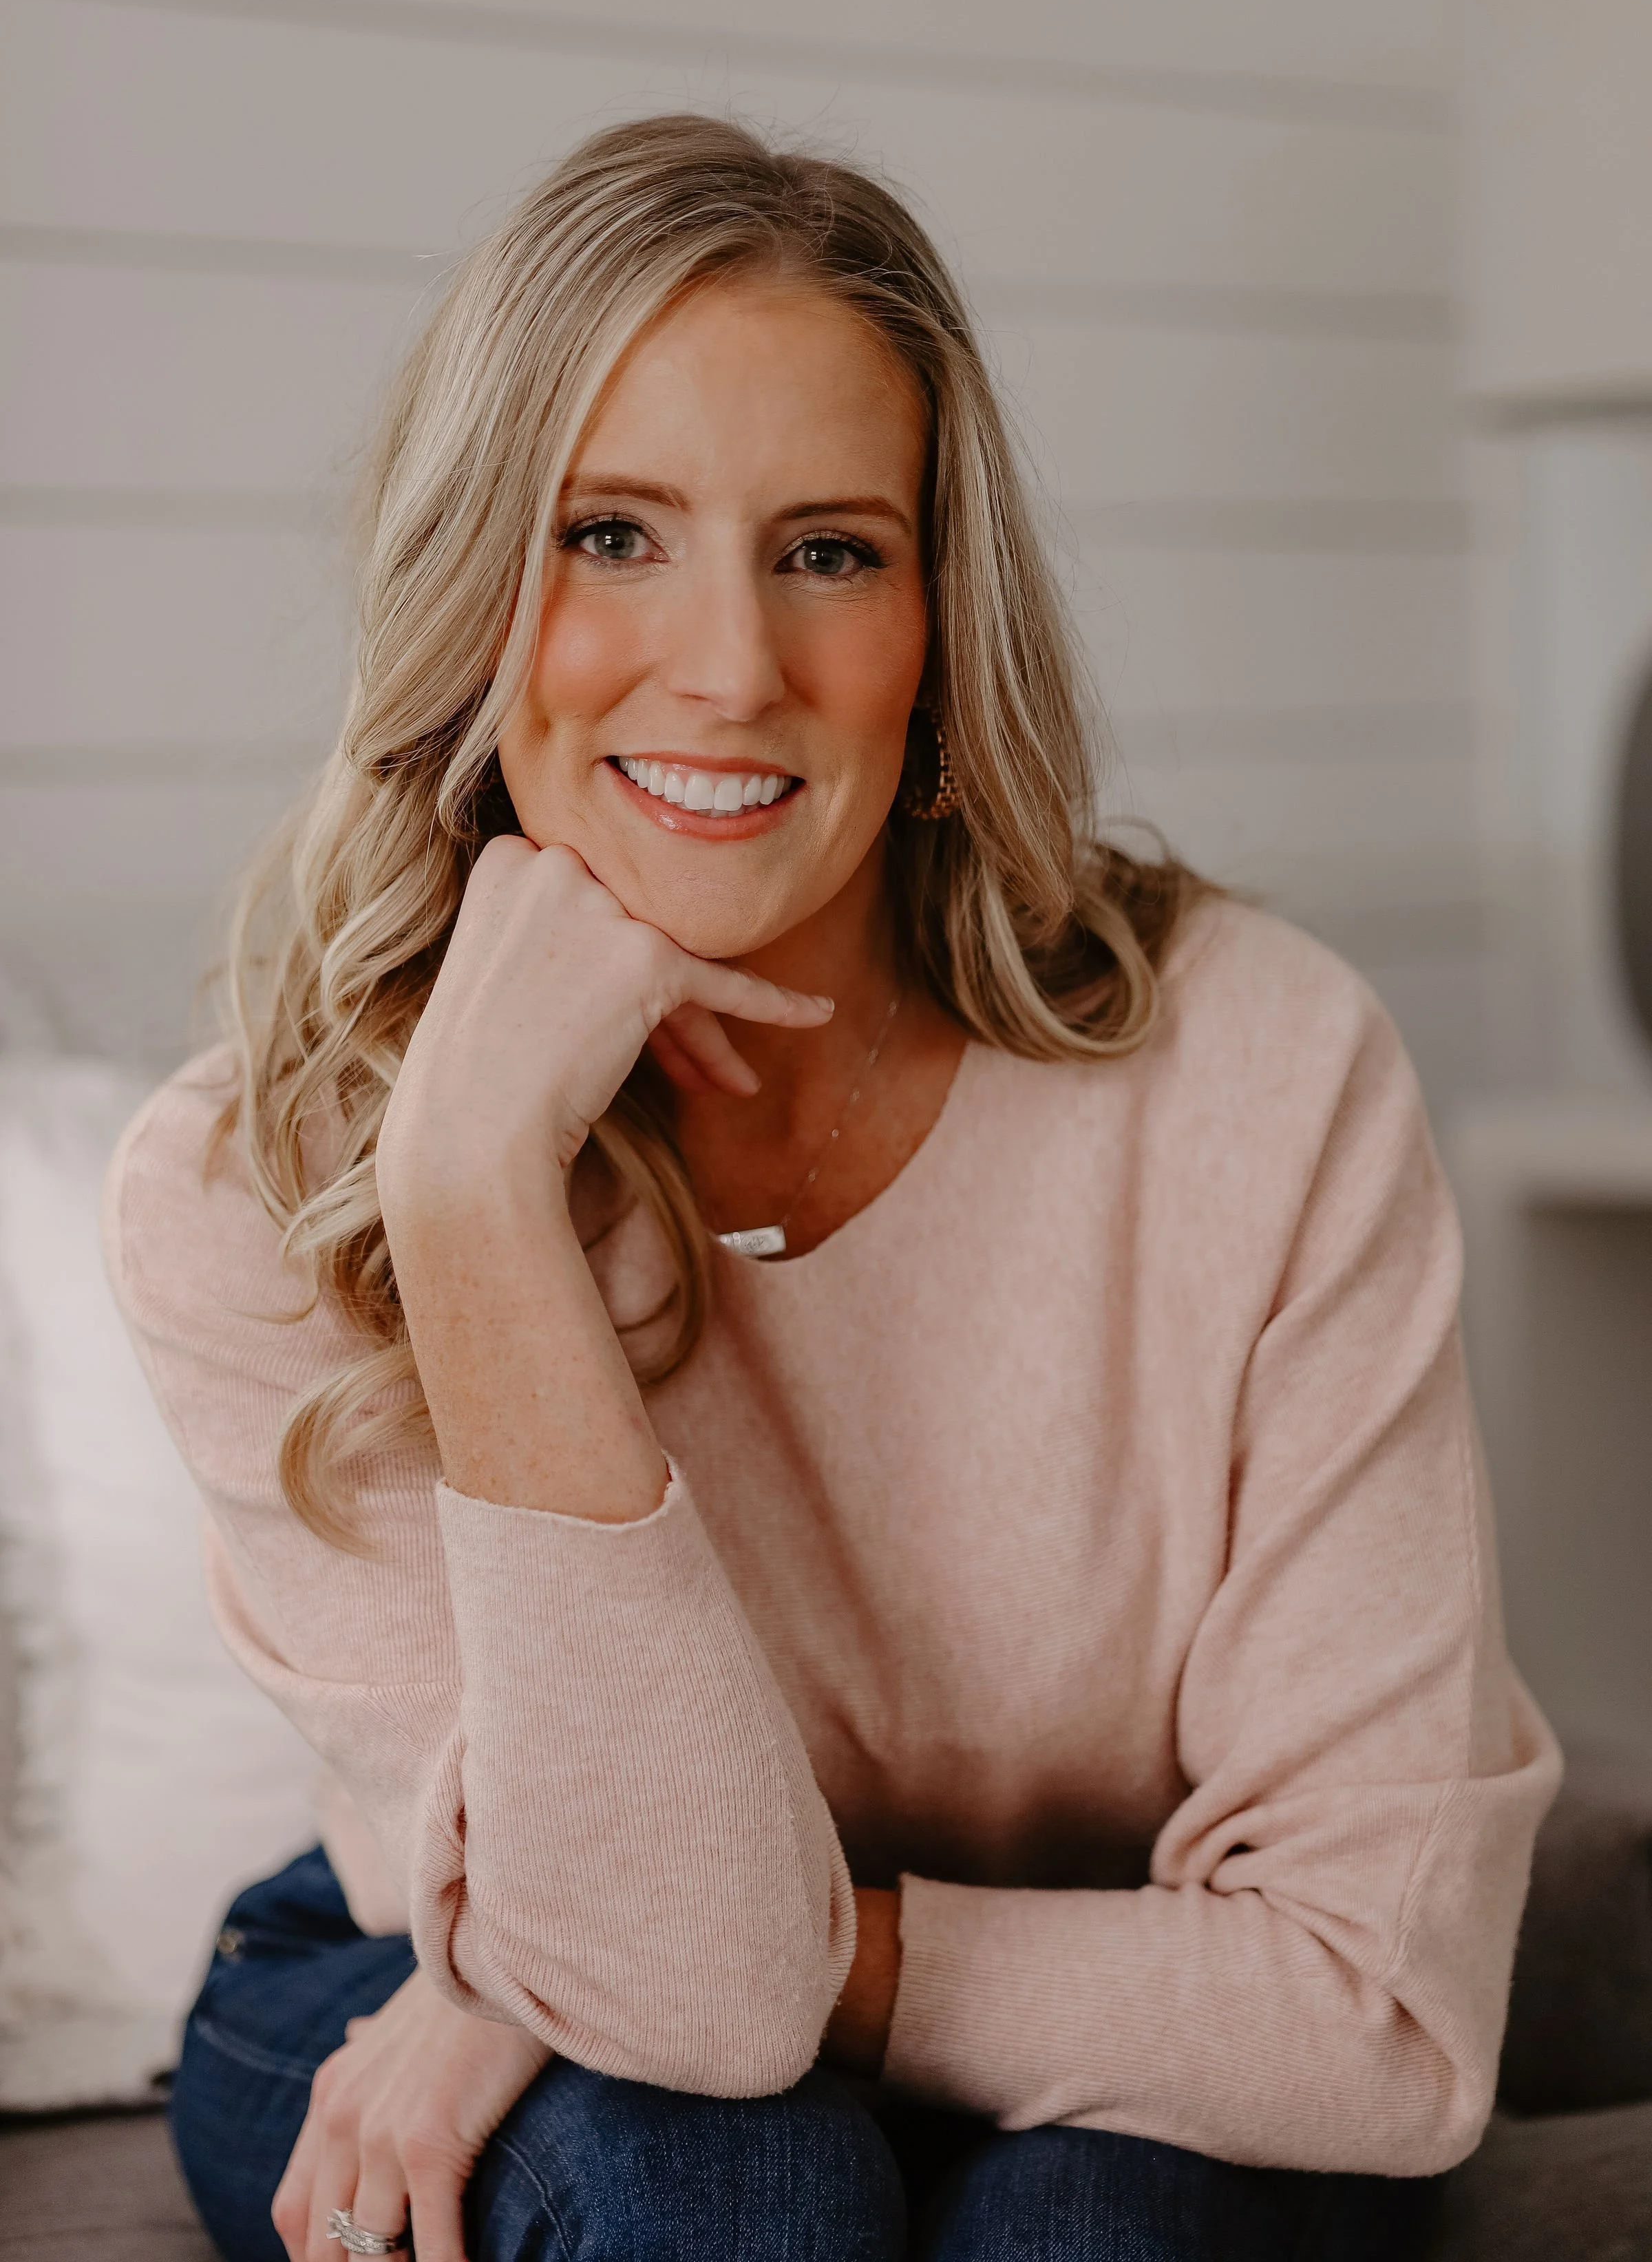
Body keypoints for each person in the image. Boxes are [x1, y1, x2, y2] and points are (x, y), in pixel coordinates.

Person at [107, 116, 1560, 2262]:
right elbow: (682, 2019)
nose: (728, 669)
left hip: (1021, 1955)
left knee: (1087, 2230)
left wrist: (767, 1954)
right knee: (728, 2191)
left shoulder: (1256, 1072)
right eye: (610, 532)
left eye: (830, 551)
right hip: (411, 1976)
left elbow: (1377, 2008)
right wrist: (486, 1195)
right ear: (467, 579)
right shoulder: (272, 1181)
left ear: (940, 623)